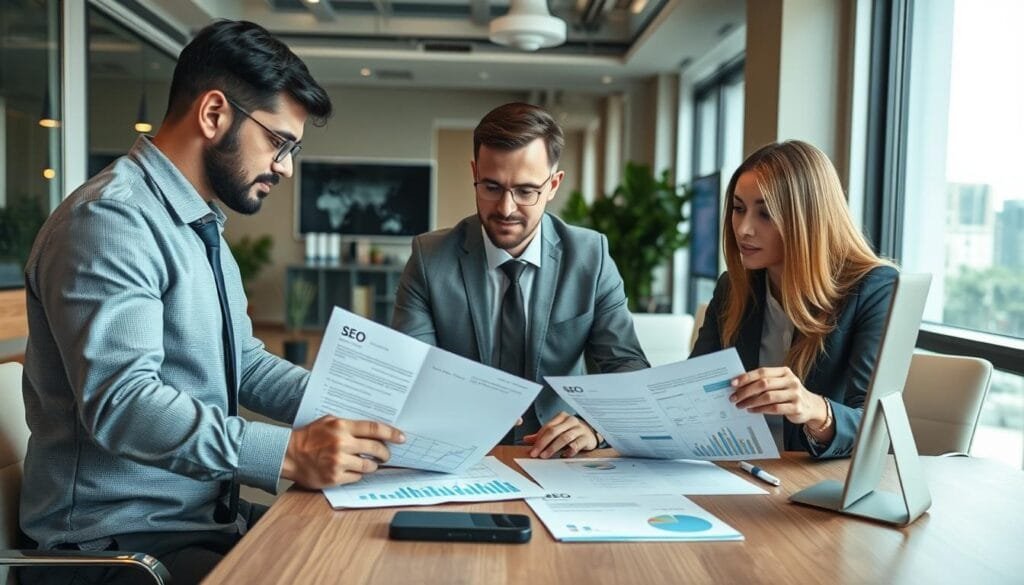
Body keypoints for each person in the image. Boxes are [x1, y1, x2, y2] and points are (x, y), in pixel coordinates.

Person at [19, 20, 404, 585]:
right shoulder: (110, 222)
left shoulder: (200, 225)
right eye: (279, 142)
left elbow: (241, 362)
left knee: (363, 554)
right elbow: (124, 404)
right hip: (116, 545)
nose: (286, 167)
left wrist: (354, 407)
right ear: (214, 113)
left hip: (196, 520)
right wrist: (289, 453)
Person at [391, 102, 649, 460]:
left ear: (554, 184)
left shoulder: (591, 256)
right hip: (458, 451)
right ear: (475, 173)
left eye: (526, 191)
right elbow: (410, 370)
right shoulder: (430, 258)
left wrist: (594, 426)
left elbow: (628, 369)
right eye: (492, 187)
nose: (506, 209)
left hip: (561, 459)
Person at [690, 140, 897, 459]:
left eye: (766, 214)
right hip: (737, 469)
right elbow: (692, 388)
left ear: (808, 219)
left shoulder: (873, 288)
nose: (743, 229)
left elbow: (877, 430)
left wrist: (815, 409)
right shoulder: (734, 286)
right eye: (738, 208)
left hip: (809, 482)